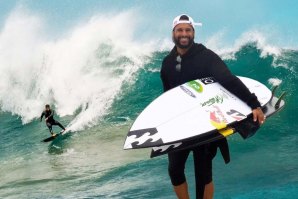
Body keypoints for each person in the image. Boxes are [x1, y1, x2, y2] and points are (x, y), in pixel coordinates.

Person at [160, 14, 266, 199]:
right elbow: (167, 98)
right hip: (181, 126)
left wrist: (254, 104)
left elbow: (228, 81)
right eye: (180, 30)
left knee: (203, 175)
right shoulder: (167, 63)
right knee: (174, 170)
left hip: (205, 124)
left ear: (193, 33)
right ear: (173, 33)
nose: (184, 34)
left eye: (188, 30)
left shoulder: (206, 57)